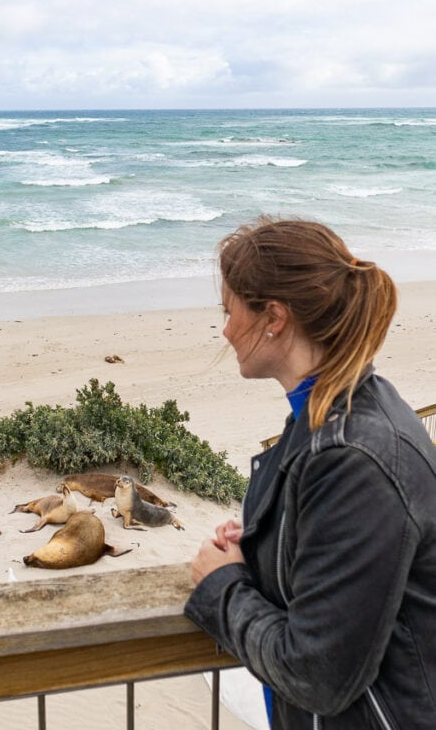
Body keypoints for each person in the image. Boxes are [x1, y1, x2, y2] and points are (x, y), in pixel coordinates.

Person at [185, 217, 436, 730]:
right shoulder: (329, 413)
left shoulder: (354, 456)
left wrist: (222, 587)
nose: (226, 329)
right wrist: (260, 542)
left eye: (229, 310)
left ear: (273, 317)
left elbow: (317, 674)